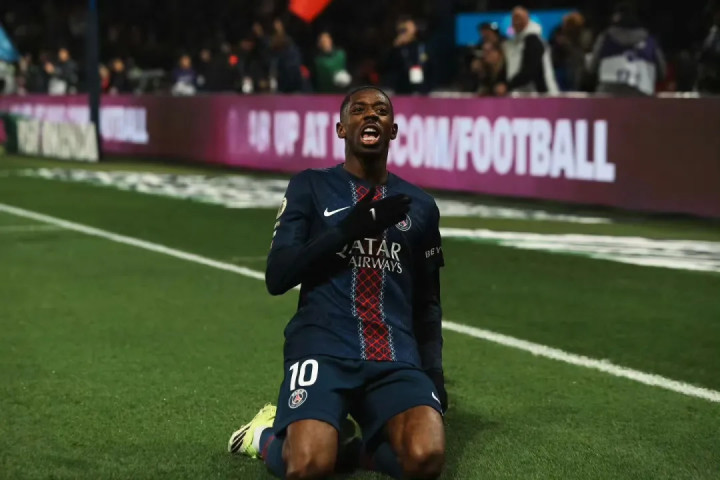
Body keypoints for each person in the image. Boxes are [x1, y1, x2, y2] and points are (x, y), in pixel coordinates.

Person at [228, 86, 447, 480]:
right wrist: (348, 229)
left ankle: (354, 452)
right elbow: (278, 276)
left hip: (394, 352)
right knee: (309, 465)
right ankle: (262, 437)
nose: (370, 115)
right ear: (341, 129)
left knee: (426, 458)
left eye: (380, 110)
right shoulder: (310, 186)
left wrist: (433, 375)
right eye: (358, 109)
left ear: (393, 130)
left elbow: (428, 302)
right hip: (323, 345)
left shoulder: (421, 206)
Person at [589, 2, 667, 96]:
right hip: (642, 99)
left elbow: (591, 68)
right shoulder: (650, 41)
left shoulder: (605, 38)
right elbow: (662, 73)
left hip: (608, 99)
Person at [503, 6, 559, 94]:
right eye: (514, 18)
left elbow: (530, 70)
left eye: (519, 18)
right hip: (520, 93)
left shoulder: (533, 41)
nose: (516, 21)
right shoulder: (514, 43)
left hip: (539, 94)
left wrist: (508, 86)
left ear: (527, 19)